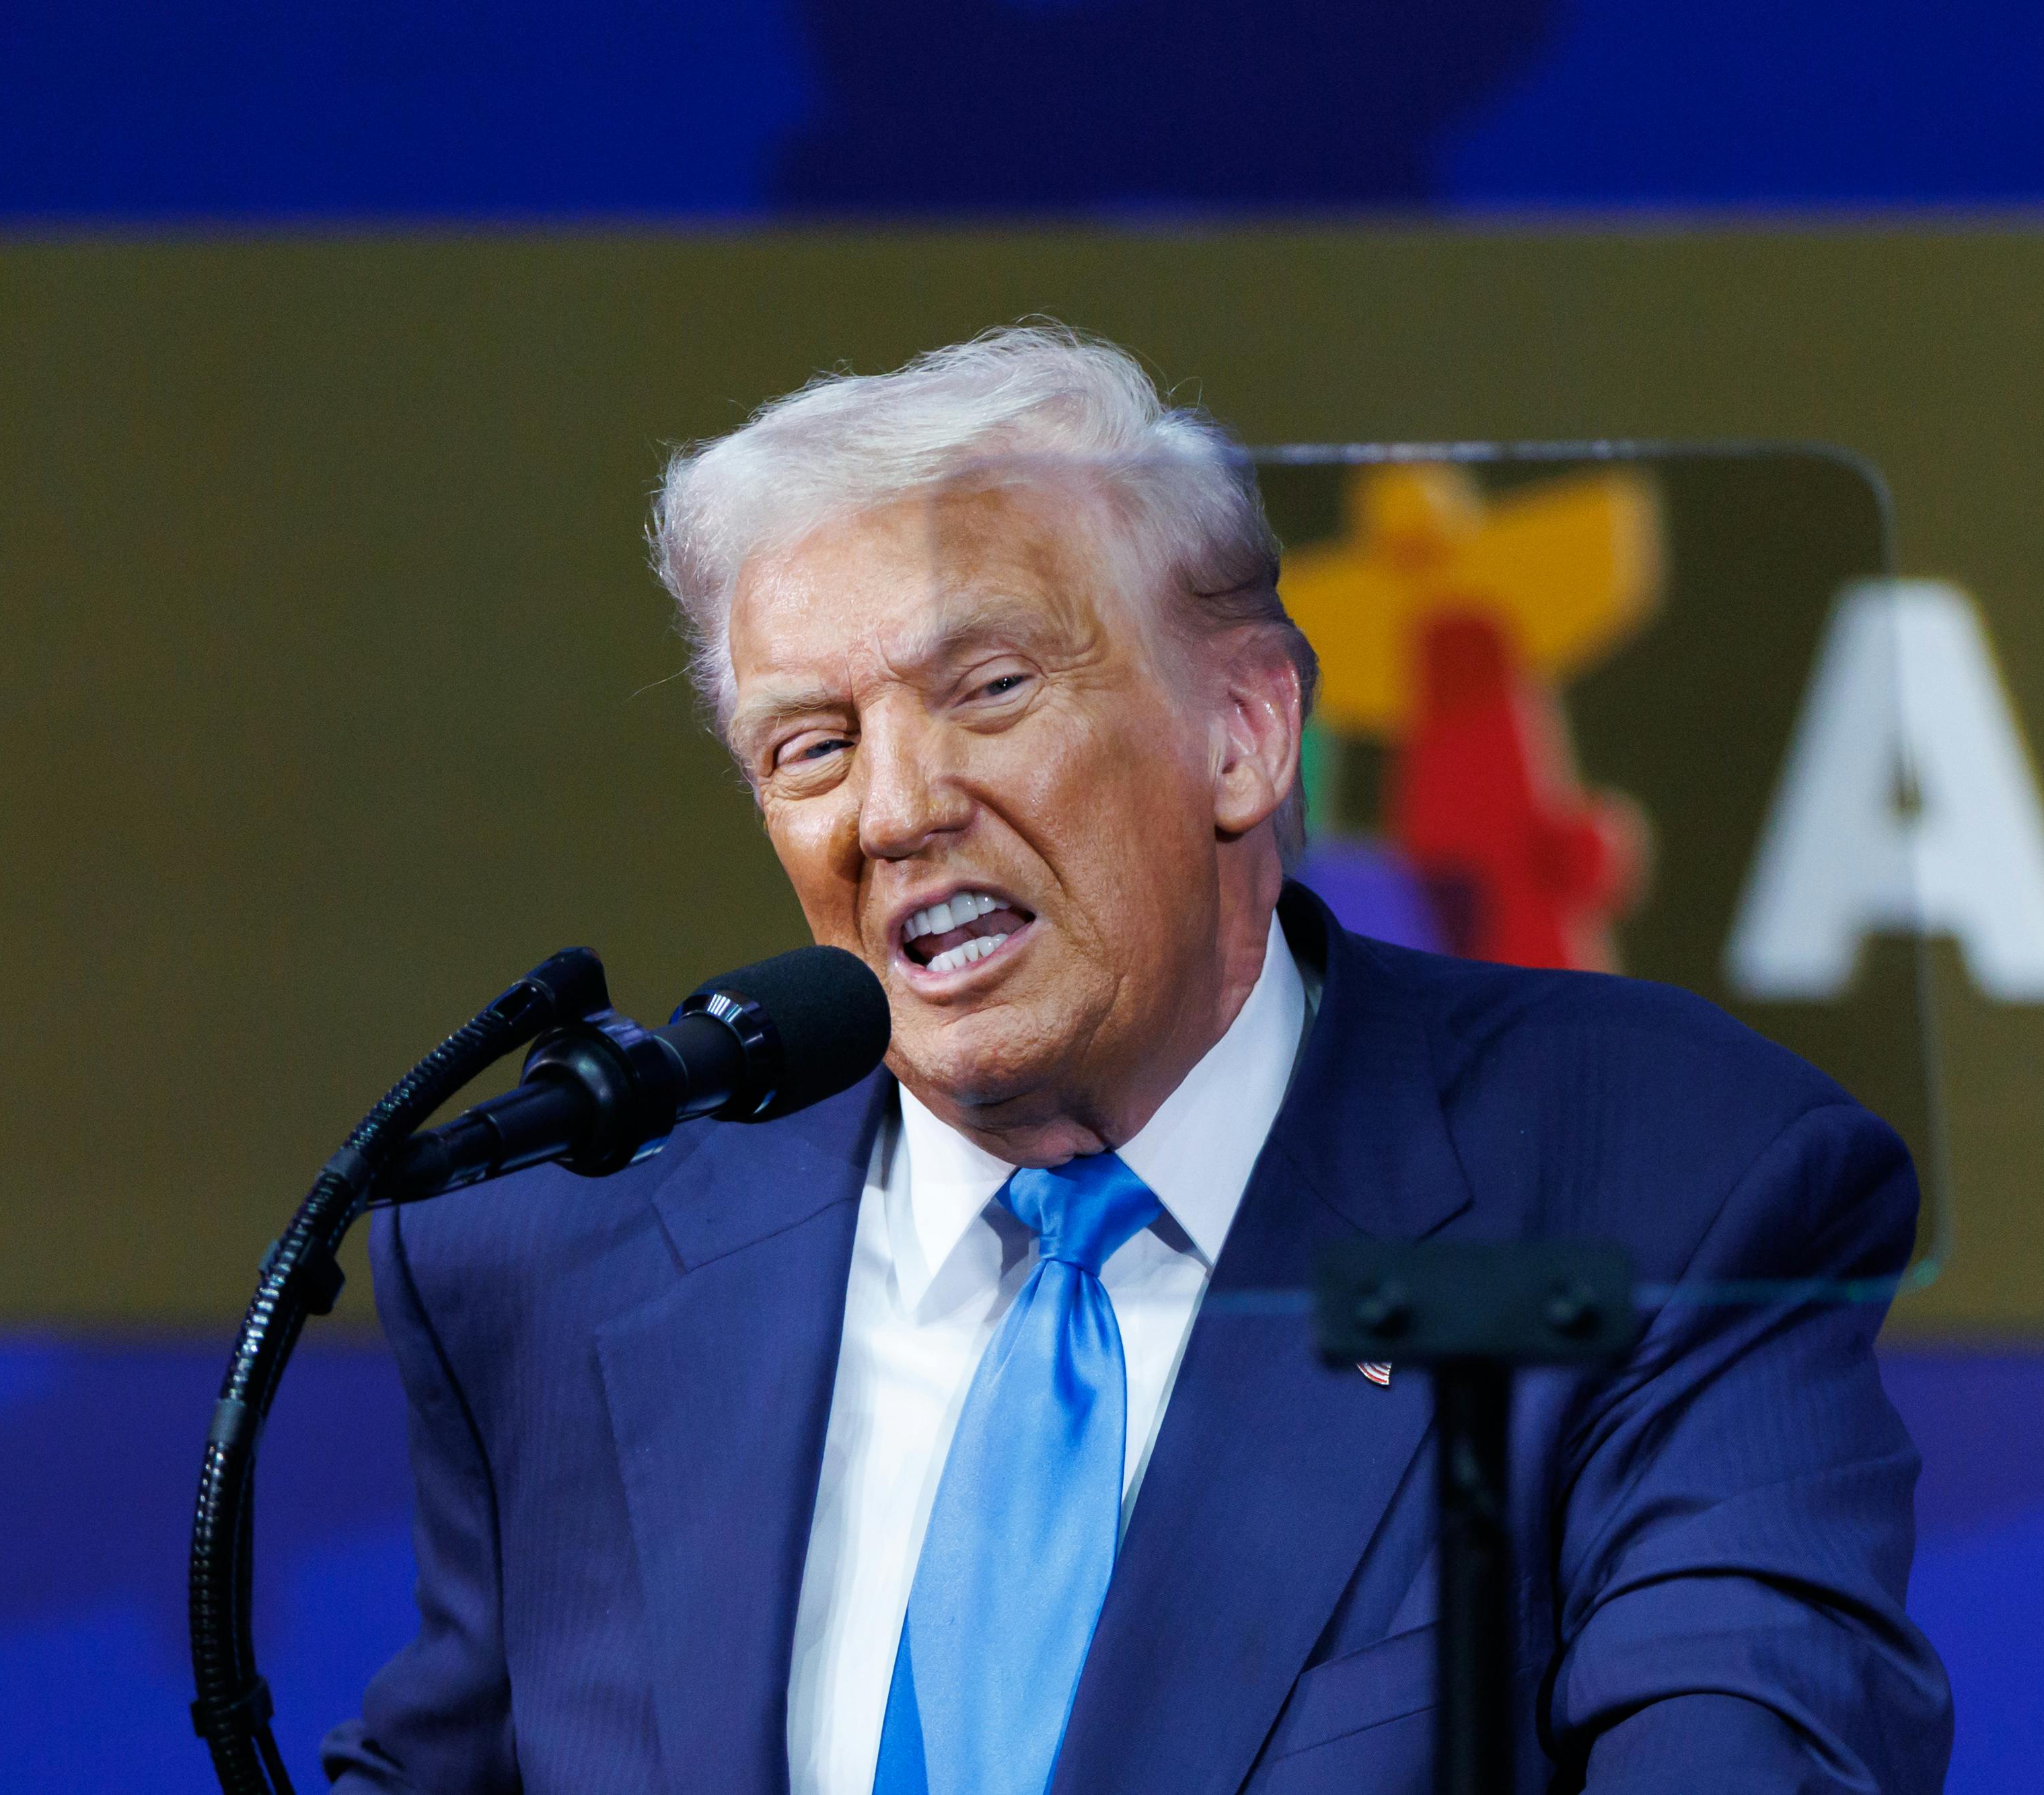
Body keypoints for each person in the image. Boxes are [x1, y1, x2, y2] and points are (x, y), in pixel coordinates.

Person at [324, 326, 1951, 1794]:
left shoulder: (1661, 1185)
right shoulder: (556, 1262)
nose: (892, 810)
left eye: (991, 688)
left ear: (1241, 734)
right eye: (811, 744)